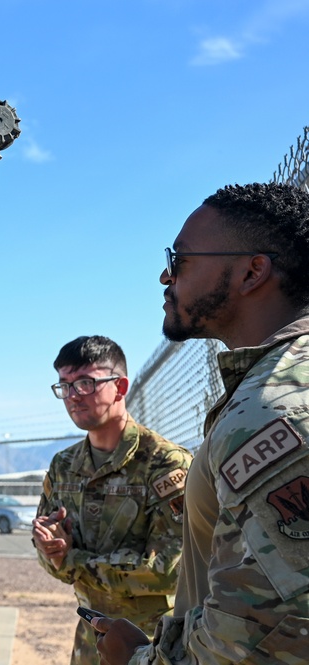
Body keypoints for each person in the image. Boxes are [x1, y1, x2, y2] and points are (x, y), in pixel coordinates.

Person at [95, 183, 309, 665]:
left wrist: (139, 659)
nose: (165, 275)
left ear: (253, 272)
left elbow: (273, 629)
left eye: (182, 259)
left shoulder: (272, 409)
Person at [33, 335, 192, 665]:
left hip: (151, 643)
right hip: (90, 639)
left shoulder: (165, 464)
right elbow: (52, 558)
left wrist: (72, 560)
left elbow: (168, 569)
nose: (73, 396)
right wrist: (50, 549)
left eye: (86, 383)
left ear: (120, 387)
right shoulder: (64, 466)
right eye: (64, 385)